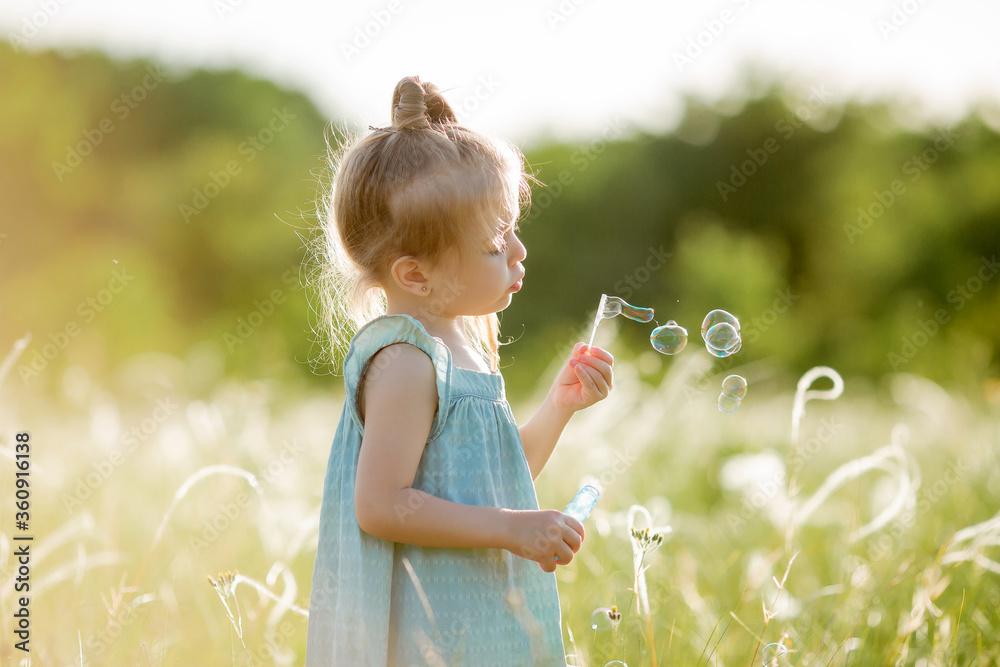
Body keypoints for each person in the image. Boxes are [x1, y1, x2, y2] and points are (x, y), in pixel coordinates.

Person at [305, 75, 615, 666]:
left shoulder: (459, 348)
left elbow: (496, 478)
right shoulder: (406, 361)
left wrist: (559, 407)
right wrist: (512, 529)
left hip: (479, 619)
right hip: (430, 629)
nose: (520, 252)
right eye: (496, 242)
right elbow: (378, 504)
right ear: (416, 275)